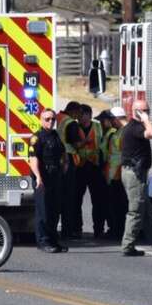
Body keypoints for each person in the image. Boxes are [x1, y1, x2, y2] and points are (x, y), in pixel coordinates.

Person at [119, 99, 152, 257]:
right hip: (134, 174)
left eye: (147, 111)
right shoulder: (135, 127)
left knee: (147, 212)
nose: (147, 113)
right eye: (143, 111)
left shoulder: (136, 127)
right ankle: (127, 246)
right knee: (136, 211)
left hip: (137, 173)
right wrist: (146, 120)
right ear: (135, 112)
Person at [28, 108, 68, 254]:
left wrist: (65, 165)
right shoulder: (37, 138)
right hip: (42, 178)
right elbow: (33, 159)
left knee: (54, 210)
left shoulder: (55, 135)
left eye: (53, 119)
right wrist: (38, 177)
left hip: (55, 176)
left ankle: (53, 240)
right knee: (43, 211)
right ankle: (43, 241)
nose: (50, 122)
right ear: (41, 120)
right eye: (47, 119)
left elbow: (62, 152)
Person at [72, 104, 108, 238]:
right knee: (76, 200)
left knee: (98, 201)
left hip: (95, 167)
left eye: (82, 114)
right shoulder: (74, 127)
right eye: (78, 114)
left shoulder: (98, 126)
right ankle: (77, 228)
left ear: (89, 115)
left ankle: (99, 229)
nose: (79, 117)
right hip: (80, 167)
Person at [103, 107, 129, 241]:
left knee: (119, 206)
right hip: (114, 174)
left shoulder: (124, 133)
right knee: (115, 205)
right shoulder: (118, 132)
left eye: (112, 119)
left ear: (117, 119)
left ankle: (118, 231)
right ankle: (116, 229)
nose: (110, 121)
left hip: (119, 175)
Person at [57, 101, 81, 238]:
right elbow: (75, 143)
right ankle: (68, 230)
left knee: (60, 195)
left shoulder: (58, 117)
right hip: (68, 159)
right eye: (78, 113)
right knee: (69, 197)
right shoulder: (71, 123)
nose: (79, 116)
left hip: (58, 159)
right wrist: (85, 143)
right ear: (74, 111)